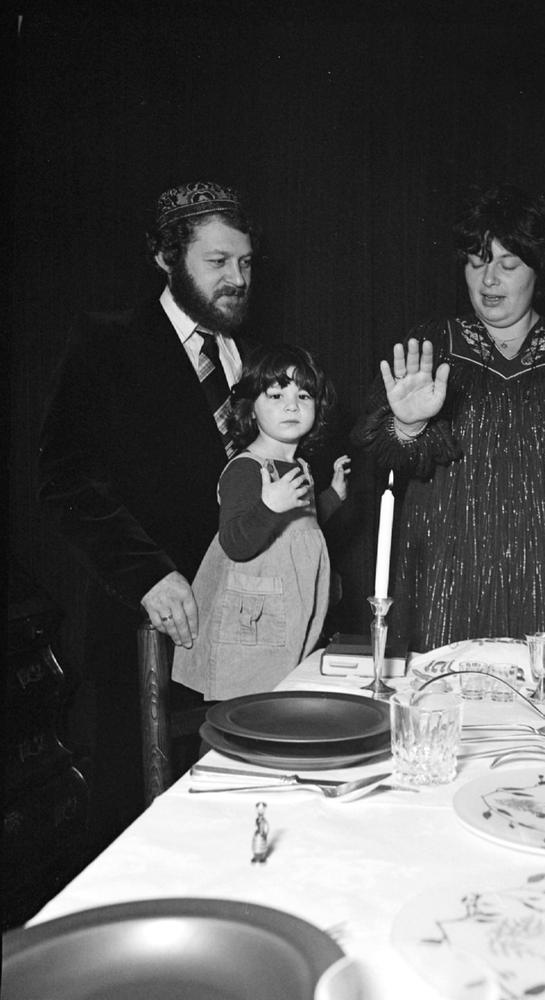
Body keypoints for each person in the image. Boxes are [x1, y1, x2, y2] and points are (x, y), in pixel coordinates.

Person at [38, 181, 258, 841]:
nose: (237, 278)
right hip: (147, 631)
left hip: (243, 632)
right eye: (217, 262)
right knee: (141, 827)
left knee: (231, 819)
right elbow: (66, 481)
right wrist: (149, 575)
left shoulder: (250, 354)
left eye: (245, 262)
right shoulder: (107, 342)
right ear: (167, 258)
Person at [352, 184, 545, 657]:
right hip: (449, 575)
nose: (489, 279)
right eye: (476, 261)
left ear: (538, 270)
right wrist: (408, 428)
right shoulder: (430, 347)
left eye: (508, 265)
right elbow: (387, 458)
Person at [173, 345, 348, 699]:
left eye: (303, 395)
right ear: (251, 408)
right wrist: (268, 507)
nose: (292, 405)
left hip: (297, 610)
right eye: (276, 394)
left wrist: (333, 496)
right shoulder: (246, 470)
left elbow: (303, 526)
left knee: (286, 699)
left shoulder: (300, 468)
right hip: (255, 619)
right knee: (248, 703)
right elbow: (235, 543)